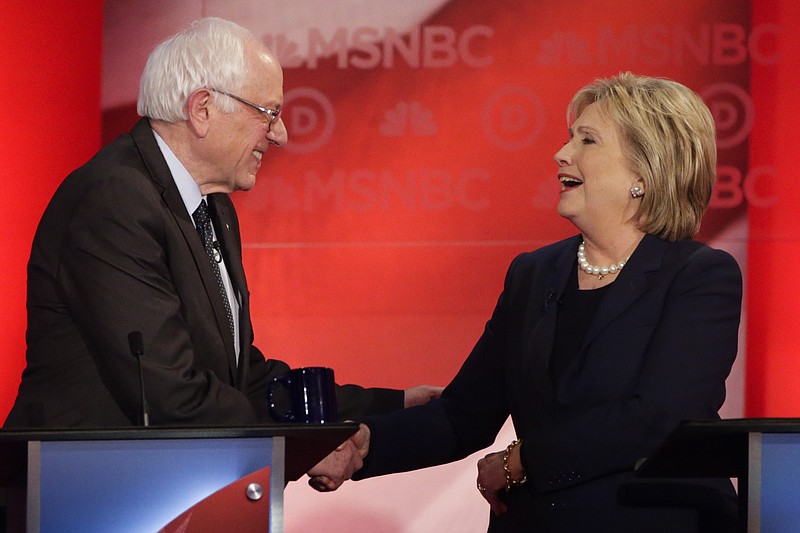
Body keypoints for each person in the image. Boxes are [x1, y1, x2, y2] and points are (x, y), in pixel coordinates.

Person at [310, 73, 742, 532]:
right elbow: (464, 415)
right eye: (569, 137)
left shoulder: (699, 276)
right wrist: (365, 445)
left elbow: (659, 417)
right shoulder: (533, 274)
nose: (562, 153)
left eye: (587, 140)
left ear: (643, 172)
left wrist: (522, 462)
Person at [4, 17, 440, 430]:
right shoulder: (114, 200)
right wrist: (297, 443)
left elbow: (241, 378)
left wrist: (390, 408)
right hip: (78, 492)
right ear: (203, 108)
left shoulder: (213, 207)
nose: (280, 133)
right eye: (268, 112)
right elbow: (171, 396)